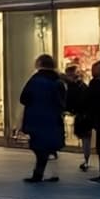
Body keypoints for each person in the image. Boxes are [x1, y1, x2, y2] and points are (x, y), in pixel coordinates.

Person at [19, 54, 66, 184]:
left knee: (39, 147)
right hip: (53, 119)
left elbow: (24, 98)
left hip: (36, 118)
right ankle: (50, 173)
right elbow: (62, 102)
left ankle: (38, 174)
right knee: (50, 146)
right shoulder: (58, 81)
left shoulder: (35, 80)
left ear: (39, 64)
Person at [63, 64, 92, 172]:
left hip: (83, 115)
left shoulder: (76, 87)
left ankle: (86, 160)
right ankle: (86, 160)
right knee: (85, 138)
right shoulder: (81, 86)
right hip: (83, 115)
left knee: (85, 138)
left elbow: (73, 101)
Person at [87, 61, 100, 183]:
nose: (93, 70)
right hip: (99, 119)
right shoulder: (94, 83)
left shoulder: (99, 84)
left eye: (96, 68)